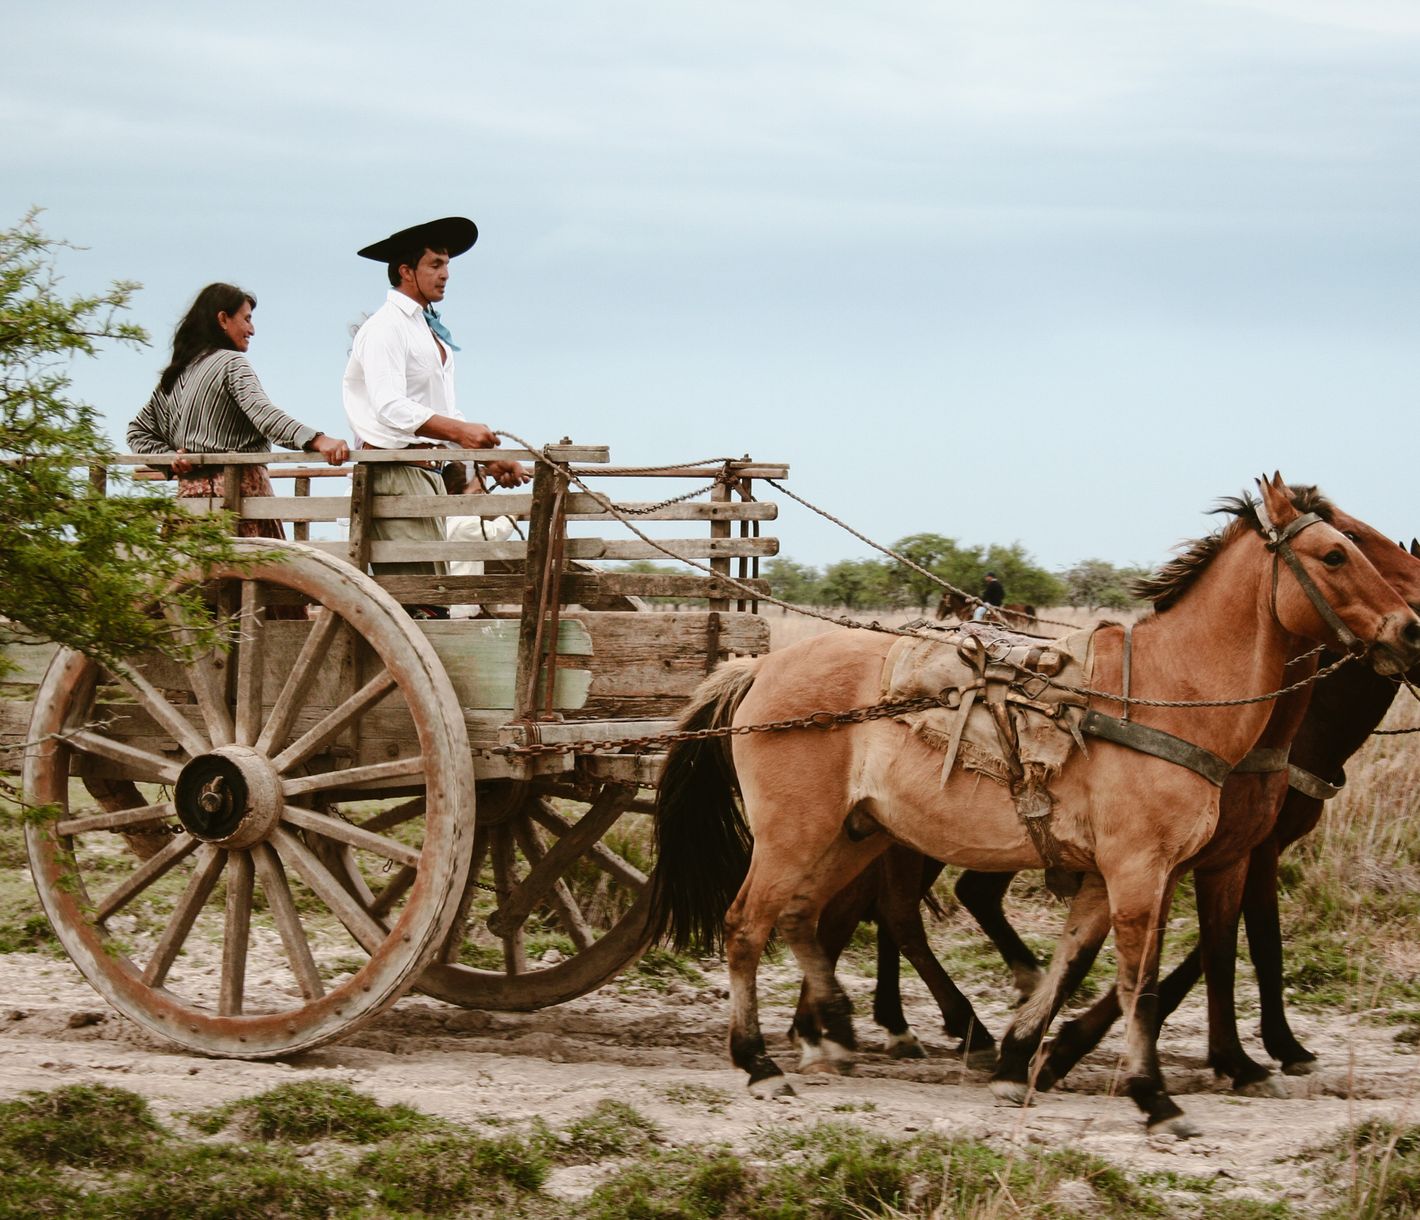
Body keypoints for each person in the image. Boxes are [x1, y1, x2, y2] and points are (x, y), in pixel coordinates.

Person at [341, 216, 528, 608]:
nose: (445, 274)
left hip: (426, 474)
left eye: (447, 265)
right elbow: (389, 406)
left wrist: (487, 458)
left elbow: (444, 412)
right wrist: (461, 434)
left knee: (431, 593)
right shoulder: (385, 328)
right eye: (435, 264)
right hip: (395, 473)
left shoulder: (425, 331)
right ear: (406, 271)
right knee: (422, 599)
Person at [128, 283, 350, 538]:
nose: (252, 330)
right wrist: (317, 440)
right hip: (239, 500)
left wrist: (169, 458)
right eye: (247, 319)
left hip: (189, 503)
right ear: (223, 319)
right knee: (257, 563)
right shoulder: (231, 363)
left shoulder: (176, 375)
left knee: (190, 563)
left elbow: (137, 432)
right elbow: (264, 415)